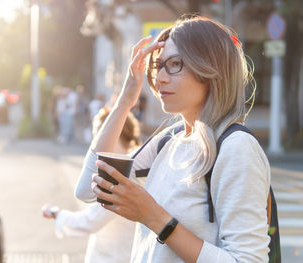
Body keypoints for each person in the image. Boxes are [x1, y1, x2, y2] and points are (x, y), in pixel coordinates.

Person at [75, 16, 271, 263]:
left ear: (211, 69)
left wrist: (154, 217)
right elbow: (88, 190)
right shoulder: (169, 140)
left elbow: (248, 260)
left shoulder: (236, 148)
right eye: (159, 65)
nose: (160, 79)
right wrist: (125, 101)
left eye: (175, 64)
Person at [42, 107, 141, 263]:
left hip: (114, 257)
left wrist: (56, 213)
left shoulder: (118, 171)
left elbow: (90, 221)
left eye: (97, 133)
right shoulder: (139, 161)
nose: (95, 140)